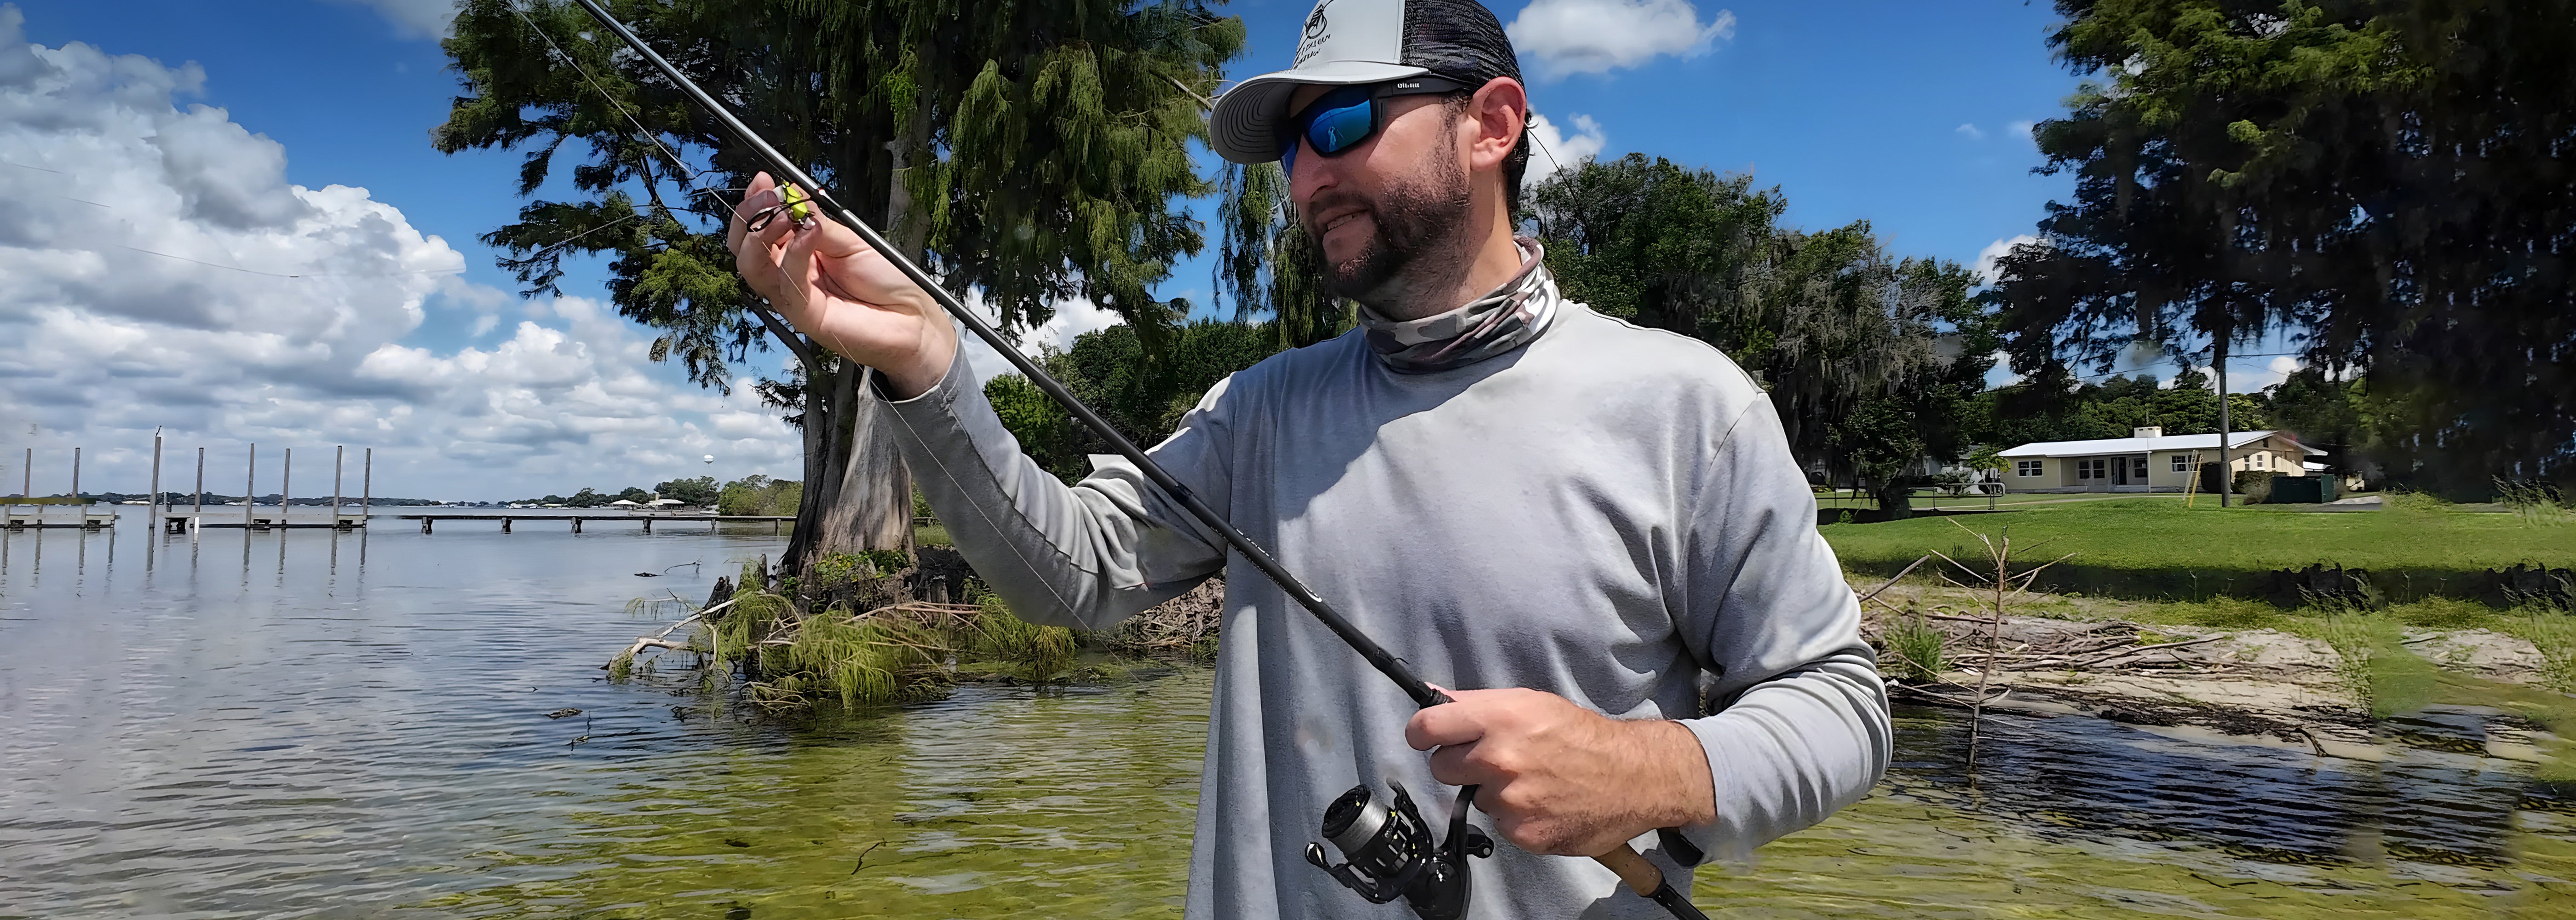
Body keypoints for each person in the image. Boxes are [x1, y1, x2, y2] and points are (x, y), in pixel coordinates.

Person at [725, 0, 1890, 914]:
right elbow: (1070, 574)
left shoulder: (1686, 403)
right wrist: (925, 359)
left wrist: (1654, 769)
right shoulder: (1261, 408)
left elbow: (1841, 702)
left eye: (1343, 124)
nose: (1307, 174)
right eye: (1291, 144)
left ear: (1491, 123)